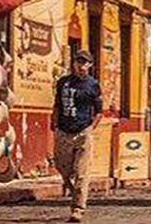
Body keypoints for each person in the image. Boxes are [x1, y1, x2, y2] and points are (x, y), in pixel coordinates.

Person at [51, 50, 102, 223]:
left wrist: (90, 130)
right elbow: (57, 105)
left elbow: (99, 112)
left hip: (83, 132)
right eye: (78, 62)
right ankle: (74, 192)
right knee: (61, 167)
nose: (81, 65)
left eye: (85, 62)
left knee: (82, 172)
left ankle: (78, 209)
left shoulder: (93, 85)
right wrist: (55, 124)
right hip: (63, 130)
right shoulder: (63, 83)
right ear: (74, 64)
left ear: (90, 65)